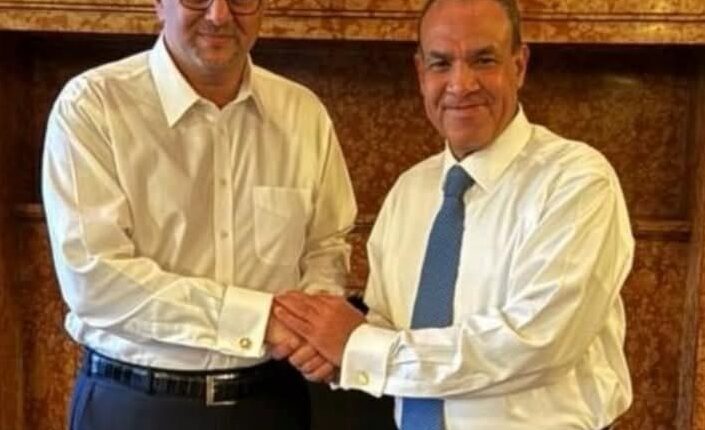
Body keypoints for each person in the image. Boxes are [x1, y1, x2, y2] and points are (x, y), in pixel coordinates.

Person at [273, 0, 634, 428]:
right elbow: (388, 328)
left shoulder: (576, 182)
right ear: (421, 73)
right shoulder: (409, 192)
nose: (461, 84)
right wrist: (335, 355)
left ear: (519, 65)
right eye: (441, 63)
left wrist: (362, 349)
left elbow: (537, 343)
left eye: (483, 60)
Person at [41, 0, 356, 428]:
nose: (219, 15)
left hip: (272, 402)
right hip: (136, 405)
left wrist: (311, 325)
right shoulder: (93, 106)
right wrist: (259, 320)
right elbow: (95, 279)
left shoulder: (303, 114)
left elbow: (326, 244)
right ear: (159, 4)